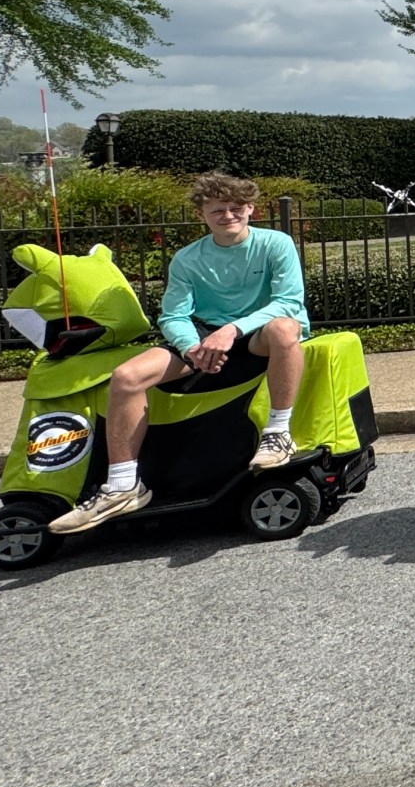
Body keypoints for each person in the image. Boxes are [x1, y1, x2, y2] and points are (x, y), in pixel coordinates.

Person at [51, 172, 310, 534]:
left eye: (236, 208)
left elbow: (287, 302)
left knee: (285, 327)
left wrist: (231, 330)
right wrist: (193, 347)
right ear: (201, 214)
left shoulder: (276, 244)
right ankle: (123, 485)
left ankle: (278, 434)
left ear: (251, 209)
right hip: (203, 336)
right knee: (127, 377)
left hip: (256, 334)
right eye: (218, 210)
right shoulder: (187, 259)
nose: (228, 216)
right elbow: (173, 315)